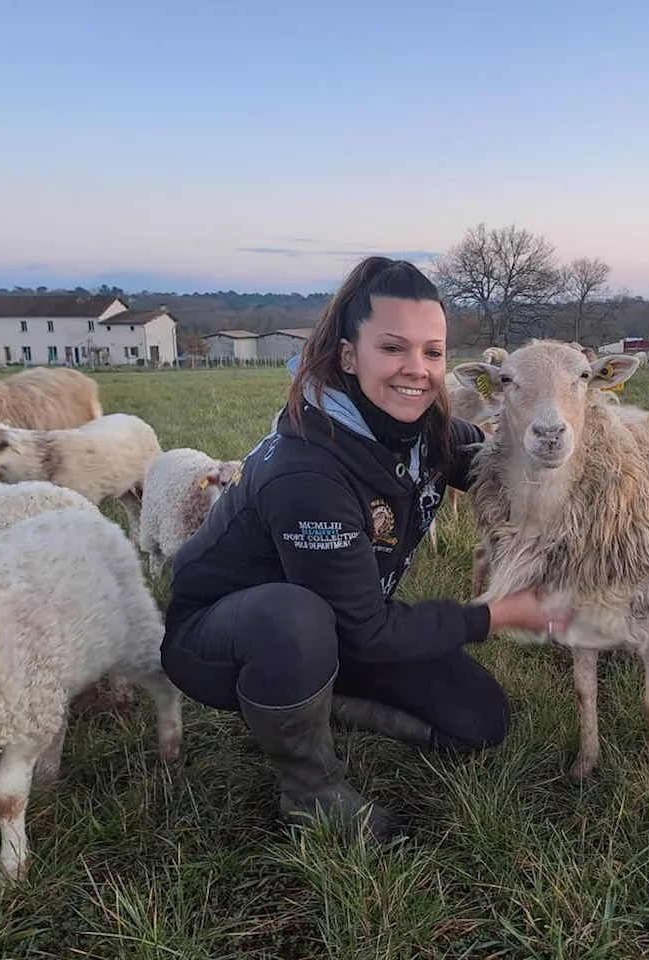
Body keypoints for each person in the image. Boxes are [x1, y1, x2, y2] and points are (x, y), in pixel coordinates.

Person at [160, 256, 565, 843]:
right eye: (393, 348)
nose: (417, 370)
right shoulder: (310, 472)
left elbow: (496, 462)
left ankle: (317, 698)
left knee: (479, 722)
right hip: (227, 637)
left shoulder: (425, 430)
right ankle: (311, 789)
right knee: (295, 618)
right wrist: (497, 614)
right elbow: (368, 632)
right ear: (350, 356)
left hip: (344, 623)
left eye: (432, 352)